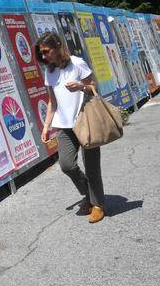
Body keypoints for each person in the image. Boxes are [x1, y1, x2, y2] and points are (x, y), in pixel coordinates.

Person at [35, 31, 106, 223]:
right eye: (41, 53)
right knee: (67, 165)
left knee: (92, 167)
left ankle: (98, 204)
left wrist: (81, 86)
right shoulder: (49, 71)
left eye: (46, 51)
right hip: (64, 126)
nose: (44, 56)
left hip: (85, 120)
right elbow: (52, 101)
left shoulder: (77, 63)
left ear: (58, 46)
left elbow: (94, 88)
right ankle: (89, 195)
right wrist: (46, 126)